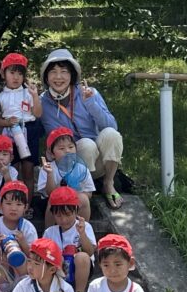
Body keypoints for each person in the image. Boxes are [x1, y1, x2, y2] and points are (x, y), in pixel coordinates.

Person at [39, 48, 125, 208]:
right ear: (46, 76)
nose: (58, 77)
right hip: (70, 162)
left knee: (111, 134)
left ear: (72, 75)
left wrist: (90, 104)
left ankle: (108, 183)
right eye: (53, 72)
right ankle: (83, 192)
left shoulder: (88, 93)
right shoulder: (42, 102)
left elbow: (112, 125)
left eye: (64, 71)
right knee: (86, 144)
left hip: (98, 160)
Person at [0, 52, 42, 191]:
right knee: (11, 171)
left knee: (28, 171)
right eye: (12, 72)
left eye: (20, 74)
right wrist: (7, 123)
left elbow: (38, 114)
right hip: (9, 133)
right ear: (3, 74)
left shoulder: (28, 93)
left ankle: (28, 203)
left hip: (29, 131)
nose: (16, 77)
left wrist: (35, 96)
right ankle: (12, 199)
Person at [42, 186, 96, 292]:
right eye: (59, 216)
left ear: (76, 211)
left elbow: (90, 252)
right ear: (53, 214)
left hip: (80, 267)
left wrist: (82, 234)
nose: (64, 219)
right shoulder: (50, 232)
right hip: (59, 269)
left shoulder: (85, 227)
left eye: (68, 214)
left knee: (82, 257)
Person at [38, 126, 95, 221]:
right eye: (61, 148)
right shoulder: (47, 168)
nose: (67, 151)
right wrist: (50, 174)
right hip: (53, 203)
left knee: (84, 199)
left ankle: (83, 227)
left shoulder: (81, 168)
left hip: (75, 203)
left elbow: (89, 192)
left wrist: (73, 196)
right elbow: (49, 193)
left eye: (71, 147)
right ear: (52, 154)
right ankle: (49, 229)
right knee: (53, 200)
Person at [0, 181, 37, 274]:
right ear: (0, 205)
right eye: (9, 203)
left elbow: (34, 256)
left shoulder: (28, 227)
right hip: (1, 264)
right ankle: (4, 282)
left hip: (23, 266)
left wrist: (23, 243)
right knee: (0, 257)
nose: (13, 208)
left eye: (19, 204)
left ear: (25, 207)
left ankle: (23, 282)